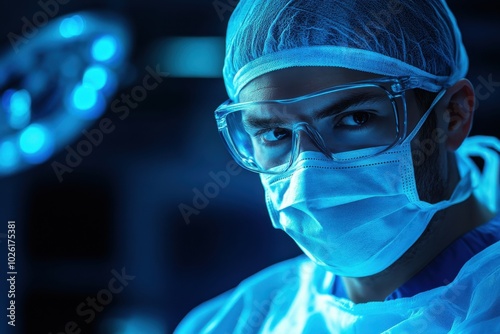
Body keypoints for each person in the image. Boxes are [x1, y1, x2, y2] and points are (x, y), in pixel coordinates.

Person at [175, 0, 500, 332]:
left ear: (454, 115)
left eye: (355, 119)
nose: (307, 179)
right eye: (275, 133)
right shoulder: (233, 323)